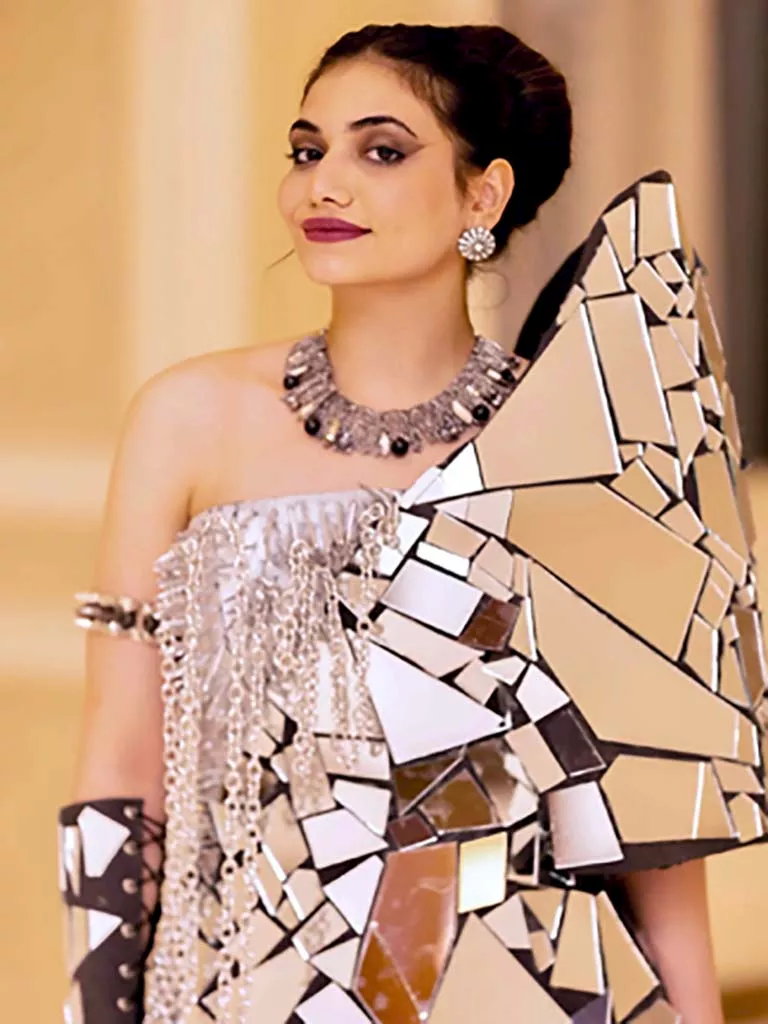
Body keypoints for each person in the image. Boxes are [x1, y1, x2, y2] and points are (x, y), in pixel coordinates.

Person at [57, 21, 767, 1024]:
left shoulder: (579, 443)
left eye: (382, 152)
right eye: (308, 151)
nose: (324, 186)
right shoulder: (188, 420)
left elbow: (654, 828)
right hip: (244, 988)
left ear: (484, 195)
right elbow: (119, 771)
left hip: (526, 985)